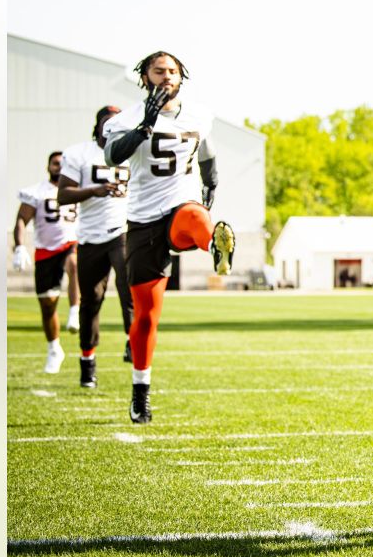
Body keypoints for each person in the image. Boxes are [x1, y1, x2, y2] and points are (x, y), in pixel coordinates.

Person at [103, 51, 236, 423]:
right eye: (158, 70)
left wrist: (211, 180)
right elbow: (113, 156)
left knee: (195, 215)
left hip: (181, 203)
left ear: (182, 77)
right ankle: (140, 391)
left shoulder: (197, 114)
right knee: (146, 316)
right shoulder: (127, 118)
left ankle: (215, 245)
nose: (166, 76)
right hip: (143, 218)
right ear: (143, 77)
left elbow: (207, 150)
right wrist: (144, 124)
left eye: (172, 71)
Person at [58, 105, 135, 387]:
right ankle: (87, 360)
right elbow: (63, 195)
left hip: (123, 230)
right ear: (98, 125)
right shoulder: (79, 153)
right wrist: (94, 190)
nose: (112, 126)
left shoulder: (133, 151)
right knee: (90, 301)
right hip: (91, 235)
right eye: (107, 121)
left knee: (130, 288)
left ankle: (132, 342)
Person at [13, 151, 81, 373]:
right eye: (55, 163)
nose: (59, 167)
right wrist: (20, 246)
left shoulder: (78, 189)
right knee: (47, 305)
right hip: (45, 251)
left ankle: (74, 312)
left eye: (63, 164)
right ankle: (54, 349)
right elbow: (22, 219)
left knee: (74, 263)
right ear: (48, 166)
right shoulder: (37, 192)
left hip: (71, 243)